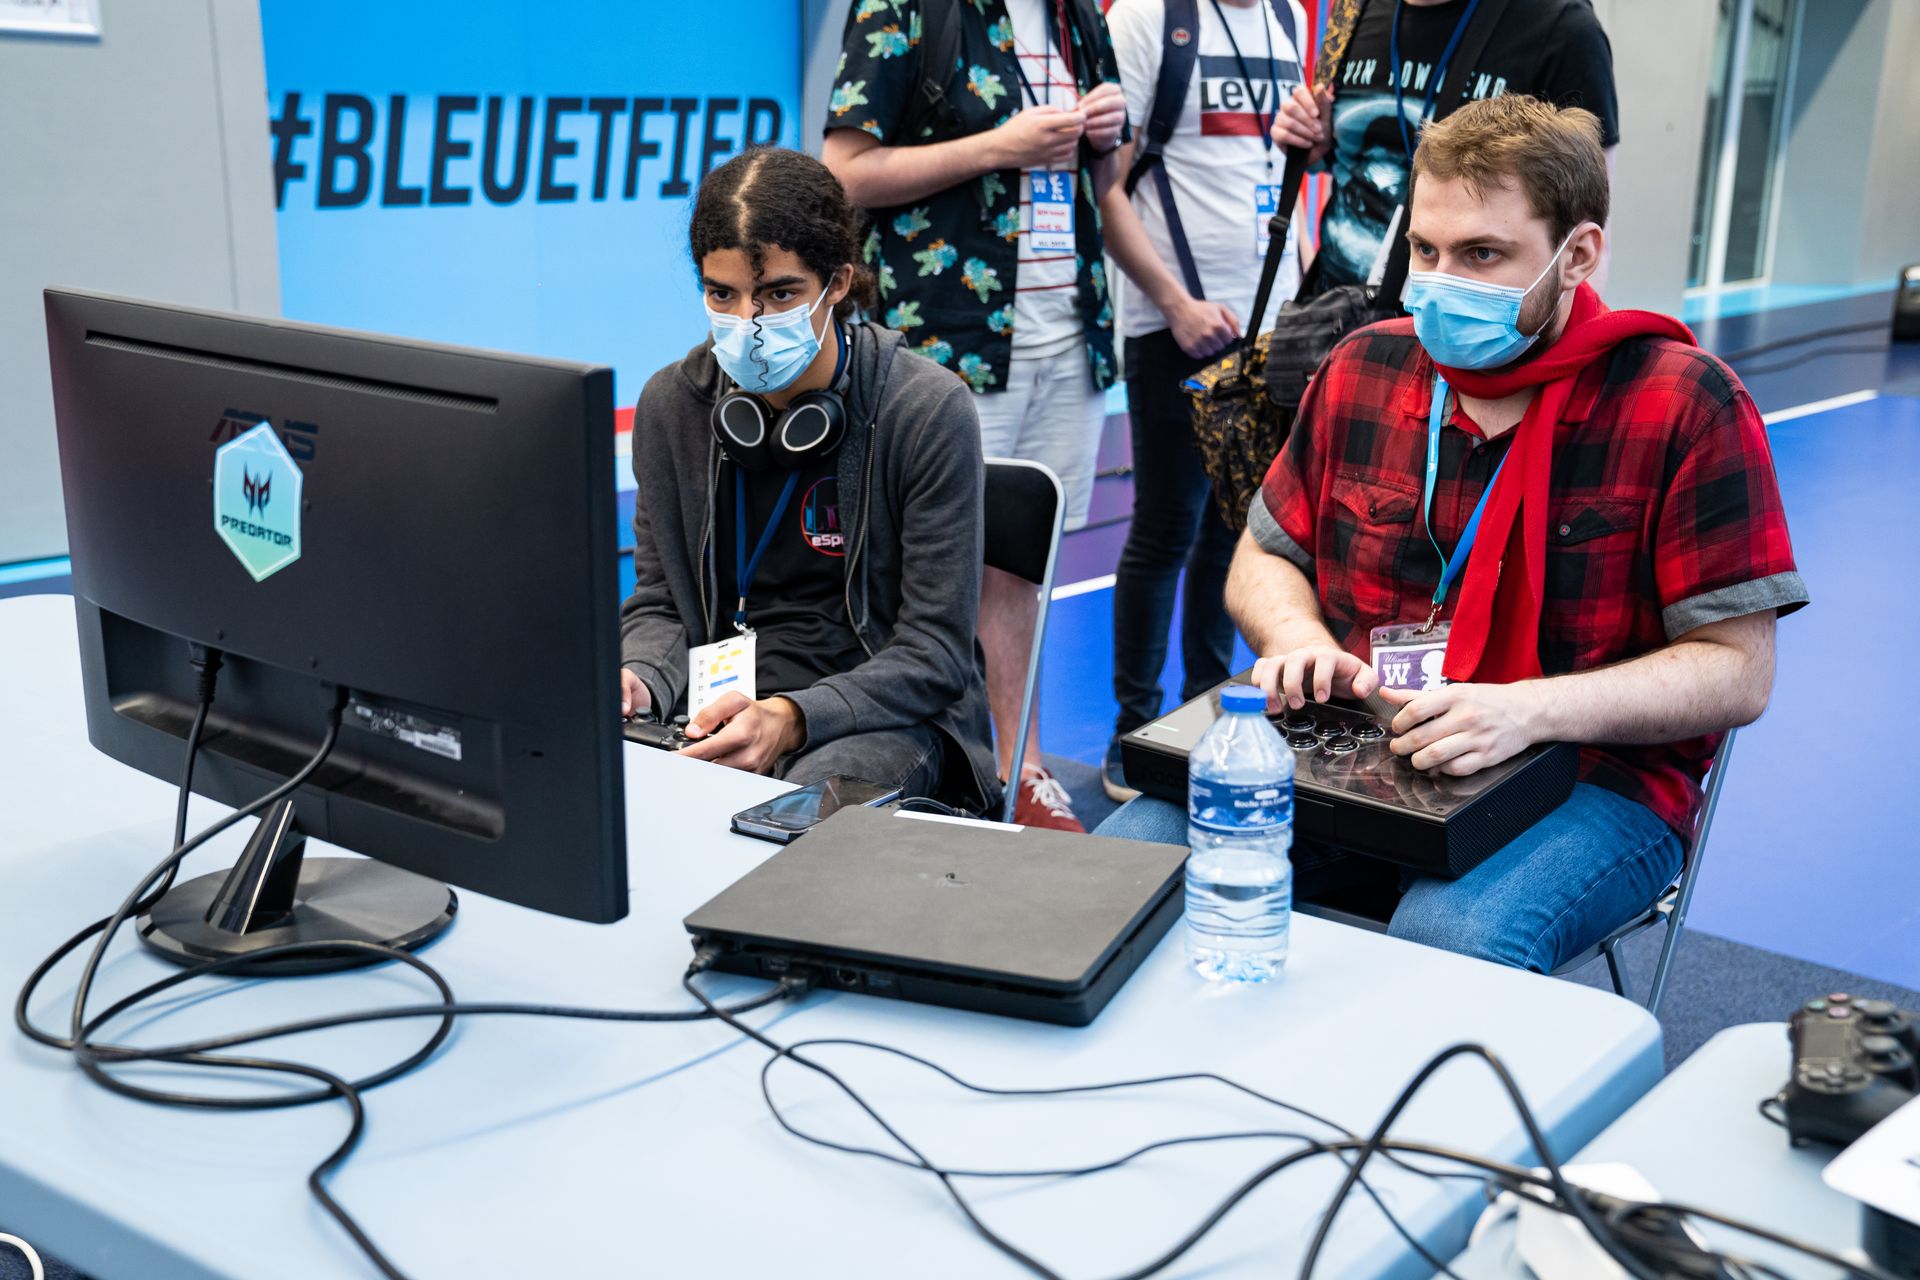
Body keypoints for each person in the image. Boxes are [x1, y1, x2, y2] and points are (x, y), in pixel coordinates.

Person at [1096, 96, 1807, 972]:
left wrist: (1526, 710)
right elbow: (1266, 553)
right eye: (1425, 251)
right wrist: (1297, 638)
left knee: (1448, 945)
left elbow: (1739, 668)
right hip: (1357, 740)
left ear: (1577, 254)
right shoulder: (1362, 366)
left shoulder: (1683, 403)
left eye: (1482, 255)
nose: (1437, 282)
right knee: (1126, 866)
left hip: (1588, 775)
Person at [823, 0, 1130, 831]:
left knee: (1022, 573)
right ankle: (936, 770)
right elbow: (844, 172)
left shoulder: (1079, 19)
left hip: (1071, 334)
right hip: (950, 340)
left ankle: (1019, 767)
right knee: (928, 572)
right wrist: (999, 147)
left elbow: (1110, 183)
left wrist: (1107, 134)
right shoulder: (910, 8)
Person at [618, 146, 998, 815]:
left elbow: (936, 654)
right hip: (718, 708)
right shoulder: (671, 408)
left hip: (882, 716)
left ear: (839, 282)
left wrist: (793, 716)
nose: (749, 325)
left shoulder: (925, 410)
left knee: (785, 822)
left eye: (779, 295)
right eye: (722, 295)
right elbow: (659, 602)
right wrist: (641, 678)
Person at [1098, 0, 1310, 801]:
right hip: (1175, 325)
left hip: (1270, 329)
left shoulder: (1290, 17)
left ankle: (1205, 713)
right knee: (1164, 526)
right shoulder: (1147, 19)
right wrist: (1174, 302)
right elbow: (1108, 186)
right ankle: (1132, 732)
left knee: (1239, 531)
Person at [1271, 0, 1618, 298]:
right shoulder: (1353, 11)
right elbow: (1358, 157)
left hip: (1471, 339)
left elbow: (1586, 224)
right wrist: (1319, 144)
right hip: (1333, 322)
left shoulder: (1563, 27)